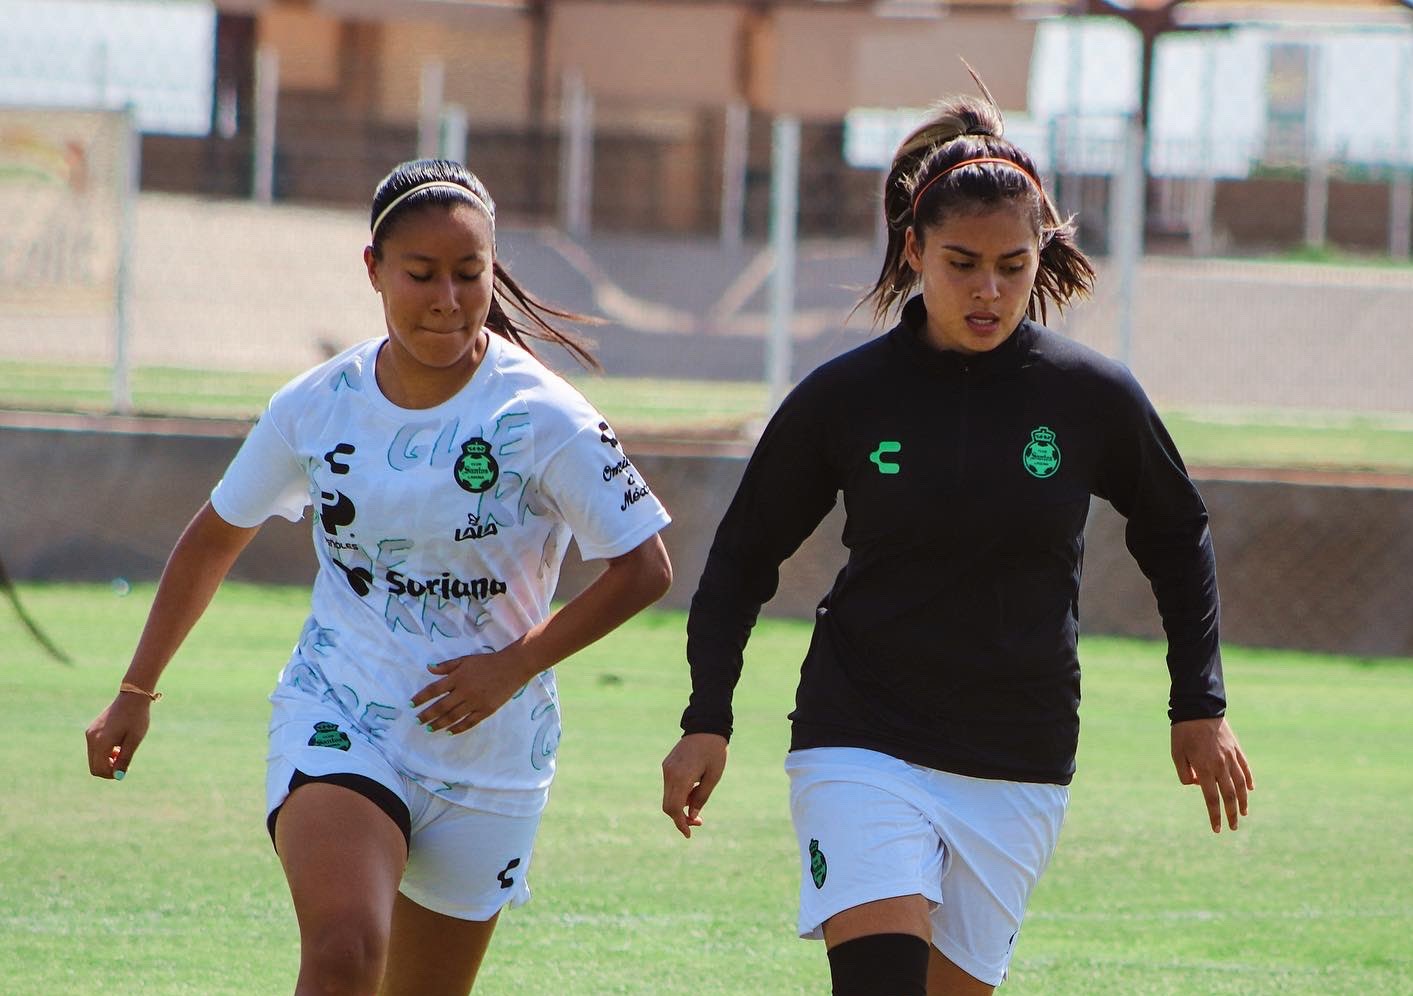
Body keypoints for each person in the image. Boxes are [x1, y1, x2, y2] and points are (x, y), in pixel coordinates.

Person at [660, 86, 1254, 996]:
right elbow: (743, 555)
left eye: (1012, 266)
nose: (988, 290)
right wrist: (707, 716)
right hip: (858, 737)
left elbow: (1176, 533)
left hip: (1017, 755)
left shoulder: (1089, 396)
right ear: (914, 250)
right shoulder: (845, 397)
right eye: (962, 263)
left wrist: (1198, 704)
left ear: (1040, 255)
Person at [86, 158, 673, 996]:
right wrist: (135, 691)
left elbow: (644, 567)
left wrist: (513, 665)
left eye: (468, 274)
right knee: (343, 951)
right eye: (421, 274)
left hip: (489, 753)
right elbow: (211, 540)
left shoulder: (545, 416)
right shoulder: (316, 404)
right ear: (373, 269)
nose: (448, 299)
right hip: (340, 715)